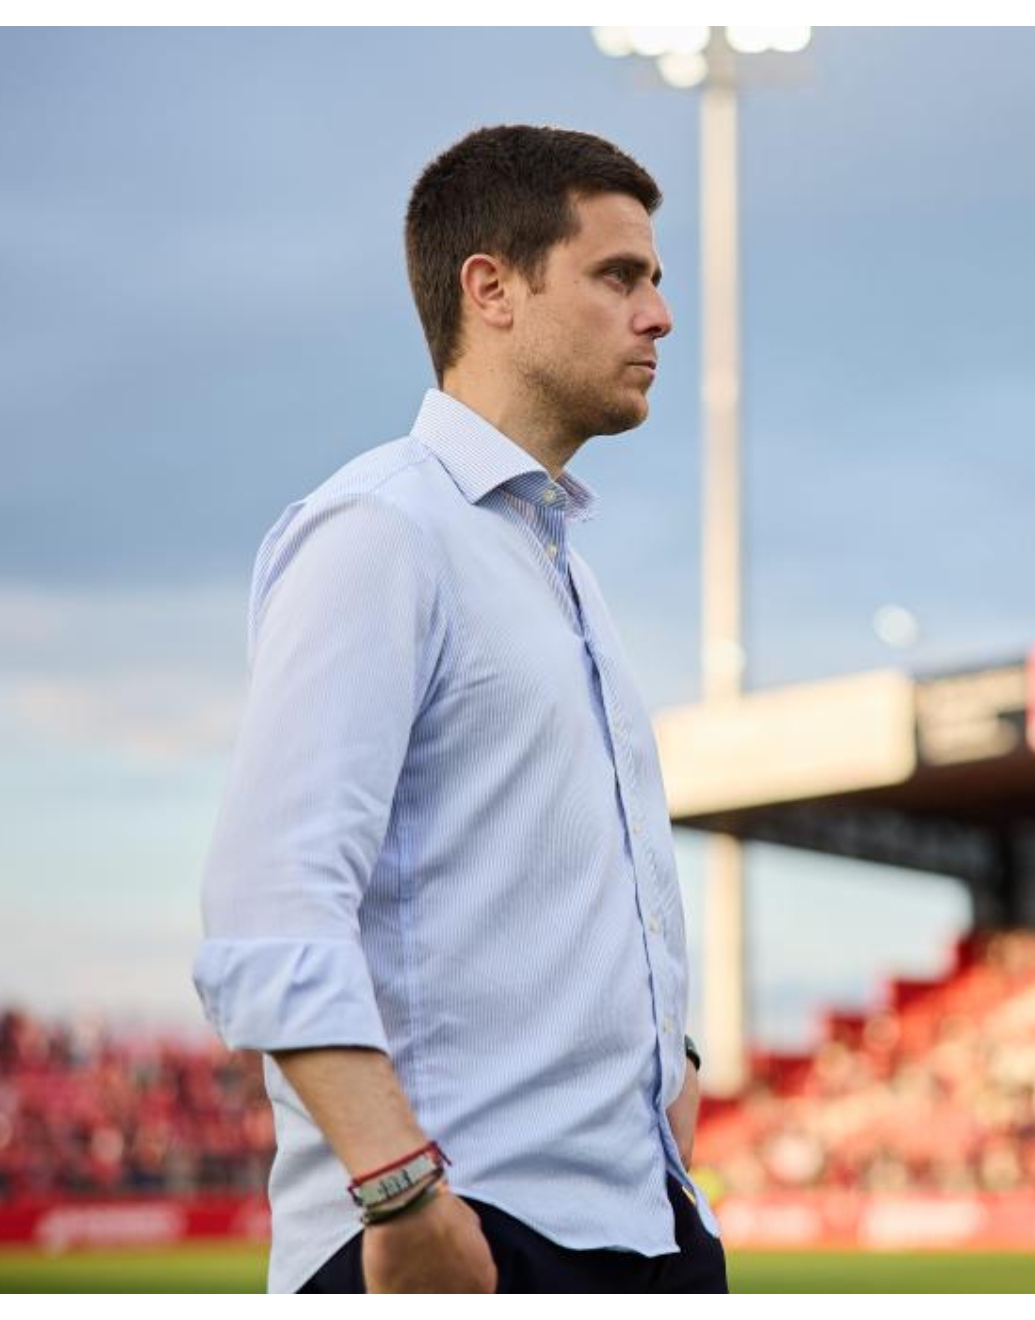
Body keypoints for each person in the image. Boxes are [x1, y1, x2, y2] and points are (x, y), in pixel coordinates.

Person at [192, 124, 722, 1294]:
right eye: (619, 276)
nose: (659, 317)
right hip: (458, 1233)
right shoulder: (382, 531)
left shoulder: (555, 562)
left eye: (658, 280)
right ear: (491, 288)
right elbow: (267, 906)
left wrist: (671, 1058)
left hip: (638, 1224)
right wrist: (399, 1186)